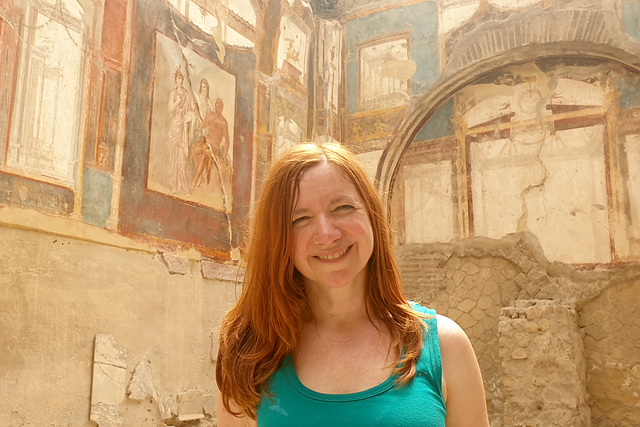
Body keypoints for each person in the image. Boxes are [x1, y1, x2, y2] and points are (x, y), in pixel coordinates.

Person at [215, 143, 489, 426]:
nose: (327, 234)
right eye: (300, 219)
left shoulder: (445, 346)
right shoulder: (250, 353)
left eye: (343, 207)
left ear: (372, 215)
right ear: (278, 239)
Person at [190, 97, 231, 190]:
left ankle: (196, 180)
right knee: (194, 150)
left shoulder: (223, 122)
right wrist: (197, 112)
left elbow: (227, 140)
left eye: (220, 104)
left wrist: (224, 156)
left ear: (222, 106)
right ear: (215, 105)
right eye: (217, 103)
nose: (218, 105)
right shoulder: (212, 115)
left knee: (205, 155)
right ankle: (201, 177)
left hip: (214, 146)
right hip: (206, 142)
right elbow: (203, 124)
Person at [167, 67, 195, 195]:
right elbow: (170, 110)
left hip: (183, 127)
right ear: (175, 80)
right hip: (174, 127)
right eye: (178, 78)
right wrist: (177, 101)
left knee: (182, 156)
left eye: (181, 78)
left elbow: (192, 110)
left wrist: (189, 117)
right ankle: (174, 186)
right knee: (173, 157)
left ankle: (184, 187)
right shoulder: (173, 93)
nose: (180, 80)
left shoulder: (187, 94)